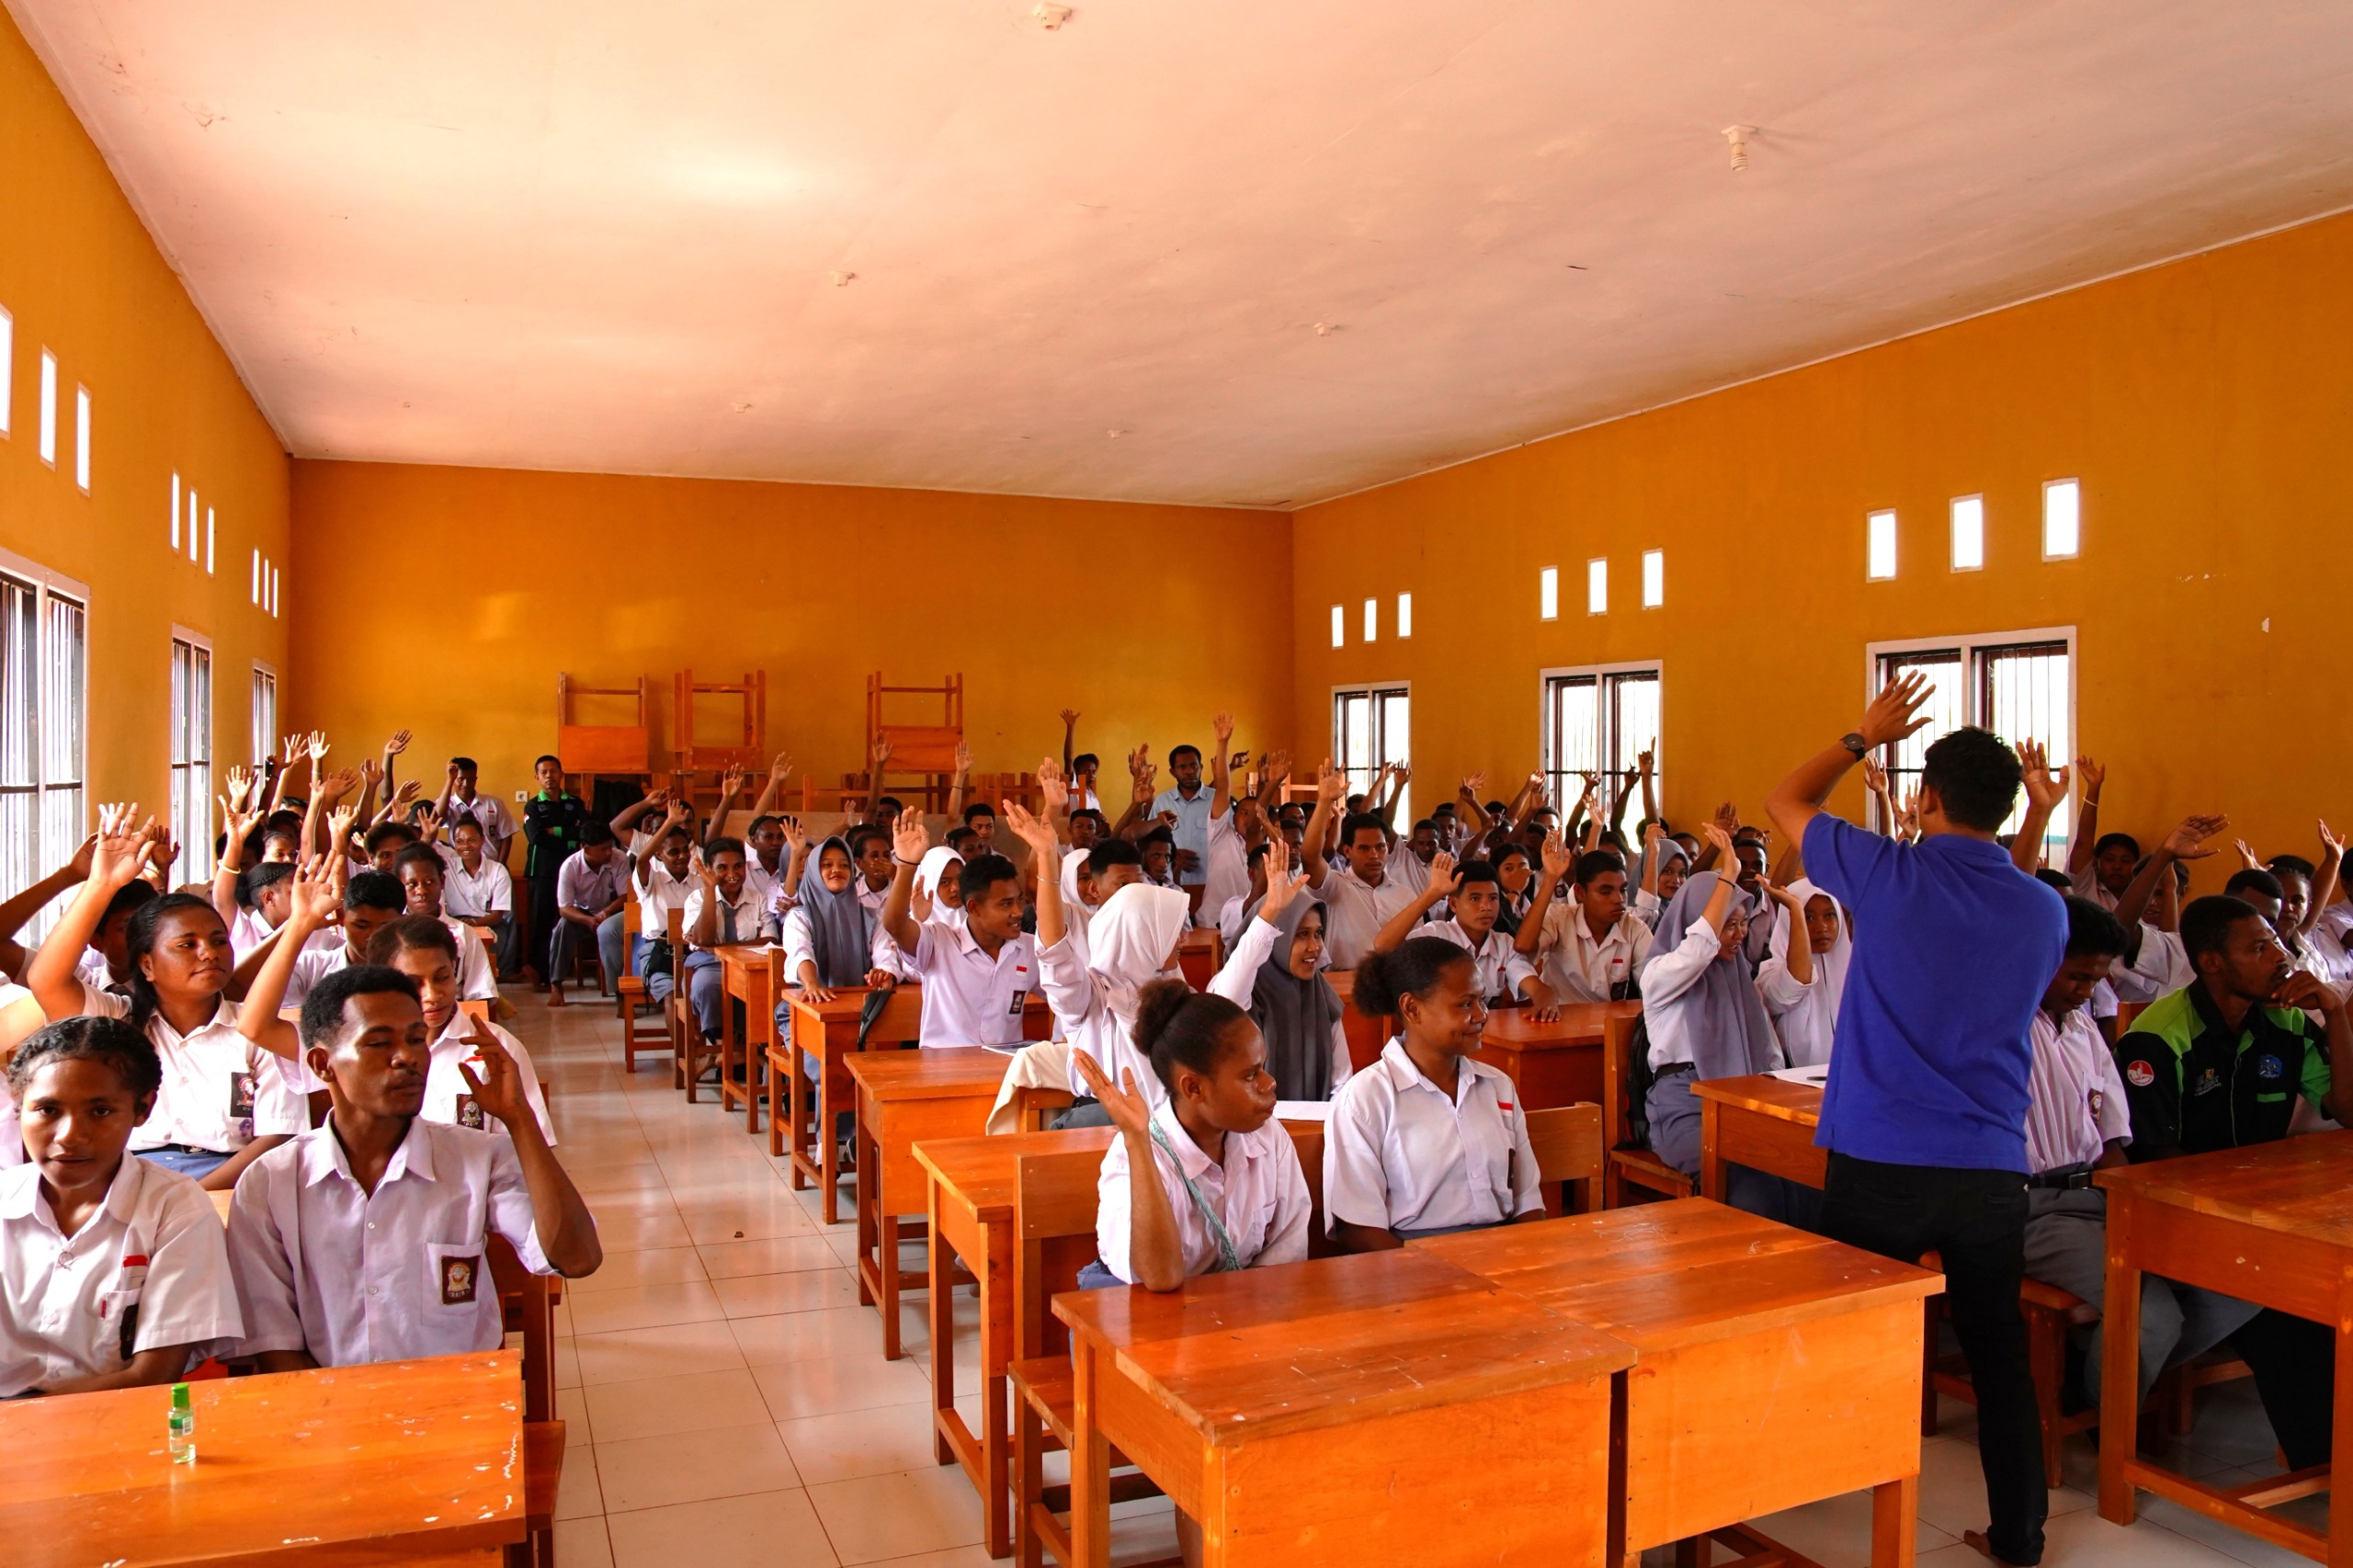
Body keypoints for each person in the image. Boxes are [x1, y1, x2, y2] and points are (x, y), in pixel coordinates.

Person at [1762, 675, 2066, 1568]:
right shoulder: (2042, 908)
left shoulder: (1886, 873)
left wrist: (1860, 737)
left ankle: (1815, 1500)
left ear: (1925, 799)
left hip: (1878, 1156)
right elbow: (2005, 897)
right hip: (1986, 1168)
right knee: (1998, 1358)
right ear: (2009, 809)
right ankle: (2020, 1535)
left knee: (1855, 1336)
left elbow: (1787, 800)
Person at [225, 965, 600, 1369]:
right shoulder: (272, 1184)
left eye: (416, 1039)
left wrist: (519, 1118)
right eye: (379, 1043)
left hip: (458, 1403)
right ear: (322, 1064)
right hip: (328, 1408)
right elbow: (273, 1339)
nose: (407, 1057)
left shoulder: (478, 1159)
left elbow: (577, 1259)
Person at [2112, 894, 2353, 1471]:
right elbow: (2157, 1171)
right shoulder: (2159, 1037)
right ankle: (2327, 1471)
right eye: (2260, 946)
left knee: (2322, 1291)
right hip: (2173, 1223)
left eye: (2275, 943)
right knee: (2292, 1308)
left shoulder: (2287, 1023)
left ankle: (2329, 1463)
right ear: (2213, 962)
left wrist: (2337, 1014)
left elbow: (2347, 1109)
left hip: (2257, 1217)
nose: (2279, 956)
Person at [2006, 898, 2258, 1415]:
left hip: (2097, 1197)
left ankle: (2098, 1375)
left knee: (2243, 1279)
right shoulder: (2000, 1024)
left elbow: (2113, 1144)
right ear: (2039, 959)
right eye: (2076, 976)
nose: (2087, 991)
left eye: (2096, 979)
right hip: (2027, 1209)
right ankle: (2109, 1422)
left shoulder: (2084, 1033)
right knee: (2152, 1316)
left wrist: (2143, 1218)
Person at [25, 811, 308, 1190]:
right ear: (147, 964)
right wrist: (100, 884)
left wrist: (190, 1197)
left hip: (229, 1181)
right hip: (129, 1177)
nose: (209, 953)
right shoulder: (119, 1022)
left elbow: (276, 1138)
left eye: (218, 941)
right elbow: (47, 981)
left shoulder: (256, 1031)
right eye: (186, 945)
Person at [0, 1017, 245, 1396]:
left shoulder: (174, 1208)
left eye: (100, 1112)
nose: (70, 1136)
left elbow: (152, 1375)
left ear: (142, 1109)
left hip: (116, 1425)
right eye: (48, 1110)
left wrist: (23, 1410)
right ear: (19, 1107)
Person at [1322, 936, 1541, 1250]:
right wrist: (1432, 1274)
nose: (1481, 1015)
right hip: (1411, 1266)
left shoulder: (1497, 1086)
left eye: (1481, 1000)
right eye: (1465, 1004)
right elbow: (1358, 1229)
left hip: (1503, 1253)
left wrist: (1529, 1262)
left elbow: (1528, 1202)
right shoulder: (1367, 1098)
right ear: (1412, 1008)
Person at [1638, 851, 1817, 1224]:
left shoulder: (1741, 984)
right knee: (1752, 1185)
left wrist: (1795, 912)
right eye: (1728, 924)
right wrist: (1727, 876)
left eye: (1743, 923)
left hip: (1741, 1100)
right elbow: (1695, 950)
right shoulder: (1661, 977)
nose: (1739, 935)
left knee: (1807, 1175)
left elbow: (1793, 987)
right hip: (1685, 1107)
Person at [1011, 801, 1189, 1119]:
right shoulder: (1091, 995)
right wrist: (1047, 861)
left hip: (1166, 1120)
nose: (1184, 938)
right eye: (1172, 930)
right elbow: (1055, 954)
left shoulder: (1172, 984)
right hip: (1102, 1120)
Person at [367, 917, 555, 1144]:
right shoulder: (368, 1056)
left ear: (455, 969)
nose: (433, 995)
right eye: (415, 983)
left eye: (442, 977)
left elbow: (533, 1150)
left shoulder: (496, 1048)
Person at [1206, 840, 1351, 1101]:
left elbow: (1342, 1084)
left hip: (1314, 1127)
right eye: (1301, 935)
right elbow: (1228, 999)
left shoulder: (1321, 996)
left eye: (1318, 934)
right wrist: (1271, 910)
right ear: (1274, 938)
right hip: (1250, 1130)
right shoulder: (1240, 988)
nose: (1314, 947)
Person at [880, 812, 1039, 1049]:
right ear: (974, 907)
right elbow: (894, 924)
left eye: (1019, 901)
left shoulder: (1029, 948)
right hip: (942, 1070)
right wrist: (906, 866)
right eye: (1006, 904)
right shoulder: (939, 941)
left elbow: (1069, 996)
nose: (1018, 912)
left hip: (1004, 1071)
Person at [1374, 855, 1554, 1013]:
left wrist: (1544, 999)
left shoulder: (1505, 944)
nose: (1486, 906)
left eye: (1493, 898)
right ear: (1453, 904)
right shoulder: (1437, 935)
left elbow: (1536, 988)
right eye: (1475, 898)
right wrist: (1432, 893)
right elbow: (1384, 945)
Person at [1301, 762, 1422, 971]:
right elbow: (1310, 857)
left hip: (1394, 985)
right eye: (1364, 848)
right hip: (1343, 982)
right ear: (1347, 851)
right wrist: (1323, 802)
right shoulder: (1334, 885)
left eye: (1380, 847)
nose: (1374, 855)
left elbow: (1416, 947)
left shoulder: (1406, 895)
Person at [1517, 839, 1654, 1003]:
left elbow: (1654, 982)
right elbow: (1523, 946)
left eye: (1623, 890)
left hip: (1608, 1021)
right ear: (1580, 893)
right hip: (1559, 1019)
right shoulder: (1560, 918)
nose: (1619, 899)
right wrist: (1551, 878)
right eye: (1606, 891)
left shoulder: (1634, 928)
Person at [679, 838, 771, 1062]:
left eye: (738, 866)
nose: (732, 873)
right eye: (722, 867)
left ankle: (756, 1046)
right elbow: (703, 938)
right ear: (709, 870)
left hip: (750, 967)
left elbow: (768, 940)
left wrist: (721, 949)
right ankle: (725, 1047)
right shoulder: (697, 899)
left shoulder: (757, 898)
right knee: (708, 986)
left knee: (767, 990)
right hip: (708, 966)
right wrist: (710, 890)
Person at [779, 836, 895, 1004]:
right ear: (812, 872)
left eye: (844, 865)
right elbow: (800, 952)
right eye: (827, 865)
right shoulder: (799, 917)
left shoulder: (871, 917)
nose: (836, 870)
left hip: (861, 1003)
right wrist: (812, 984)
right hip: (812, 1002)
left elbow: (884, 953)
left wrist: (884, 973)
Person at [1757, 879, 1849, 1069]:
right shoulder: (1771, 974)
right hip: (1797, 1087)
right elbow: (1796, 983)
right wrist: (1796, 911)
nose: (1821, 927)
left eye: (1830, 915)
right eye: (1809, 918)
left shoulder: (1857, 969)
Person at [392, 845, 498, 1002]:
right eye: (412, 884)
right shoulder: (391, 934)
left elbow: (480, 994)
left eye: (429, 881)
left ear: (442, 881)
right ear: (400, 886)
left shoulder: (465, 933)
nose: (421, 891)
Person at [520, 756, 589, 984]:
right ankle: (540, 973)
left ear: (561, 773)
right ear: (537, 777)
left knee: (568, 920)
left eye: (553, 771)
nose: (549, 776)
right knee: (540, 923)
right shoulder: (532, 805)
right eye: (544, 772)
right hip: (542, 872)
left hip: (571, 872)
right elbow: (537, 837)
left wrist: (555, 831)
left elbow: (586, 832)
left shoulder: (575, 803)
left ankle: (564, 970)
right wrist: (569, 835)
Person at [545, 821, 630, 1006]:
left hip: (612, 911)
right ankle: (557, 985)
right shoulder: (570, 867)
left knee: (609, 931)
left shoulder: (620, 858)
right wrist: (588, 920)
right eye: (603, 849)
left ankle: (620, 994)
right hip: (581, 914)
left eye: (610, 847)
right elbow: (564, 908)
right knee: (562, 928)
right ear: (585, 848)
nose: (609, 852)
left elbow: (626, 895)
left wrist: (607, 911)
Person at [442, 817, 516, 977]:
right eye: (459, 841)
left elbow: (497, 917)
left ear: (482, 840)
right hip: (455, 923)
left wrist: (474, 923)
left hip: (490, 925)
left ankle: (486, 995)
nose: (465, 846)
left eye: (472, 840)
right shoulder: (446, 868)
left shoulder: (498, 871)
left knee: (480, 957)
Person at [436, 756, 516, 863]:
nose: (466, 784)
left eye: (471, 779)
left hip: (491, 867)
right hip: (458, 868)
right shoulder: (448, 803)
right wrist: (449, 780)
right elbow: (439, 815)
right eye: (461, 779)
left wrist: (501, 865)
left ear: (476, 779)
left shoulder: (494, 803)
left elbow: (506, 836)